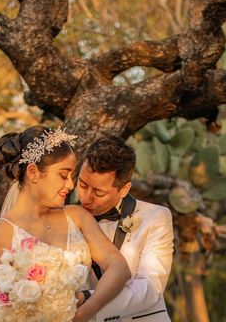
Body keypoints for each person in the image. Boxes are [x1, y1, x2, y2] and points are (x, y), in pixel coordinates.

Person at [0, 126, 131, 322]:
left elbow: (119, 268)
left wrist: (85, 312)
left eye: (71, 177)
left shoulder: (77, 217)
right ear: (33, 172)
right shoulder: (0, 233)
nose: (70, 185)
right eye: (63, 175)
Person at [76, 136, 174, 322]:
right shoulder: (64, 217)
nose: (86, 198)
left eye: (98, 192)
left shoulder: (156, 217)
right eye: (82, 184)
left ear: (124, 189)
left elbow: (150, 288)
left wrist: (88, 300)